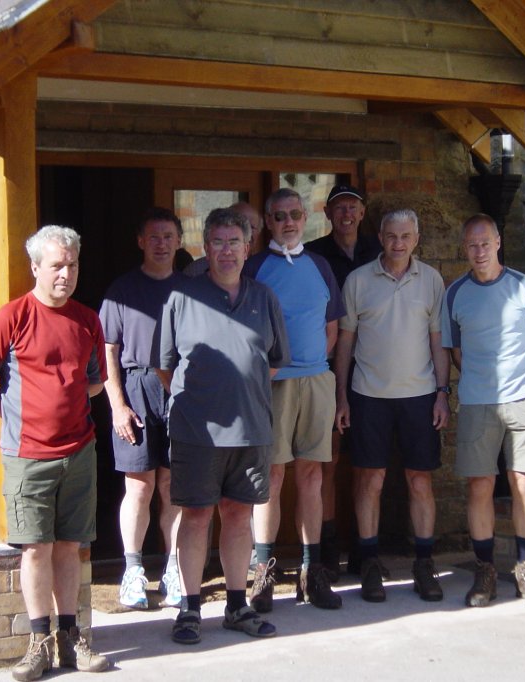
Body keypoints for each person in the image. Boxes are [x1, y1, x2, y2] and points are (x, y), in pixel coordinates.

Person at [0, 225, 109, 681]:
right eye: (57, 266)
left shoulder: (87, 319)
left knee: (70, 546)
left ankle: (70, 638)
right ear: (35, 268)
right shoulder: (12, 317)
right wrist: (15, 419)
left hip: (79, 450)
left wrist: (65, 405)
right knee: (35, 548)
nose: (66, 274)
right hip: (28, 456)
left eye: (73, 265)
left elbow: (95, 381)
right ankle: (38, 643)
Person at [156, 207, 290, 645]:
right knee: (195, 516)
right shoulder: (182, 297)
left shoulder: (264, 298)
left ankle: (237, 605)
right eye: (218, 242)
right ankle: (189, 608)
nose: (227, 250)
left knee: (238, 515)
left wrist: (239, 392)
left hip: (251, 429)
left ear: (248, 248)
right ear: (205, 247)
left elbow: (272, 362)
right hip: (197, 432)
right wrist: (203, 398)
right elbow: (165, 366)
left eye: (234, 242)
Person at [334, 208, 450, 603]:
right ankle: (369, 562)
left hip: (420, 396)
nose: (398, 243)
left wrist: (442, 392)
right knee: (371, 480)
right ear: (380, 237)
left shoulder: (431, 280)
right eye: (391, 236)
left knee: (420, 480)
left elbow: (438, 341)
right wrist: (341, 395)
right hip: (369, 396)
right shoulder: (358, 280)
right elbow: (345, 342)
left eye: (405, 236)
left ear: (416, 238)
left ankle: (424, 563)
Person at [441, 214, 525, 609]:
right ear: (464, 248)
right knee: (480, 485)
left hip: (523, 399)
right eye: (472, 245)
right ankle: (485, 569)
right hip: (477, 401)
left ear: (498, 242)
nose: (479, 251)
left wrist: (522, 380)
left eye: (485, 243)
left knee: (524, 482)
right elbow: (455, 352)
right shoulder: (455, 294)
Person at [243, 188, 344, 612]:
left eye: (296, 215)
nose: (288, 222)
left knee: (313, 476)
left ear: (306, 219)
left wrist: (312, 364)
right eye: (280, 216)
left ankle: (311, 570)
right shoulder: (254, 267)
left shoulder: (320, 265)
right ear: (268, 222)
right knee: (271, 477)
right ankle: (263, 571)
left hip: (316, 380)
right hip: (273, 385)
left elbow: (332, 327)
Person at [99, 208, 186, 610]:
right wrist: (117, 405)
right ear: (140, 242)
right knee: (139, 486)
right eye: (154, 237)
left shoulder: (190, 289)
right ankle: (133, 571)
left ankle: (174, 568)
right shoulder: (121, 290)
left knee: (173, 487)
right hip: (136, 388)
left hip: (181, 390)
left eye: (168, 237)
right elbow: (107, 351)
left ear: (179, 241)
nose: (161, 244)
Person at [305, 183, 382, 578]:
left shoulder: (379, 251)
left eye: (352, 207)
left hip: (374, 371)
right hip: (327, 369)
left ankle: (364, 550)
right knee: (328, 462)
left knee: (368, 464)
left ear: (362, 213)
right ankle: (328, 550)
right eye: (339, 208)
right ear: (327, 214)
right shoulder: (314, 255)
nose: (346, 214)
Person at [183, 201, 265, 276]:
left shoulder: (264, 269)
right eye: (238, 225)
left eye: (252, 227)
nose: (246, 232)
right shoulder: (196, 271)